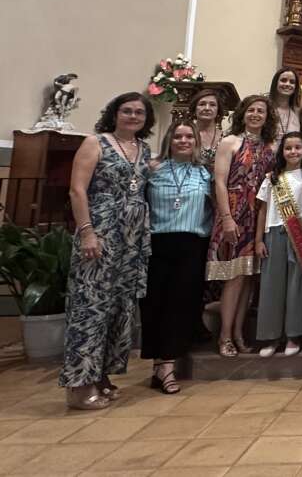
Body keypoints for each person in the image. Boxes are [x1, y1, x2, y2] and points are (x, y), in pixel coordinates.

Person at [62, 93, 154, 410]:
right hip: (100, 232)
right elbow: (77, 189)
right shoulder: (95, 142)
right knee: (91, 307)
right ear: (114, 114)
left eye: (139, 112)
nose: (132, 116)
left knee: (119, 308)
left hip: (132, 240)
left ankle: (101, 375)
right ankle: (78, 385)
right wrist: (87, 231)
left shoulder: (143, 149)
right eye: (126, 111)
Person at [142, 121, 212, 395]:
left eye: (189, 137)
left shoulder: (204, 173)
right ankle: (159, 363)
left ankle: (167, 366)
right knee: (154, 303)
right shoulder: (152, 169)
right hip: (157, 242)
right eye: (178, 136)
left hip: (192, 243)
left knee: (181, 303)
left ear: (196, 141)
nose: (184, 141)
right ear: (169, 140)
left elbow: (213, 208)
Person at [207, 95, 277, 358]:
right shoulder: (230, 142)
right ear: (243, 113)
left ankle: (238, 331)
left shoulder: (270, 146)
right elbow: (220, 182)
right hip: (235, 212)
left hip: (259, 213)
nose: (256, 114)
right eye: (251, 110)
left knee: (249, 278)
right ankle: (225, 335)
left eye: (261, 111)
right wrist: (226, 217)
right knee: (234, 278)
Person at [254, 132, 302, 358]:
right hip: (274, 233)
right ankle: (271, 337)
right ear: (282, 152)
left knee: (296, 285)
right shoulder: (272, 178)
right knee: (272, 286)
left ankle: (293, 335)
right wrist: (259, 239)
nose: (293, 152)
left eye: (298, 147)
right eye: (288, 148)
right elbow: (262, 210)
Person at [189, 88, 224, 171]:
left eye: (212, 105)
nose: (207, 108)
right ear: (194, 109)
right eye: (202, 104)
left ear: (218, 110)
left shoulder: (226, 137)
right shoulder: (186, 135)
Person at [269, 66, 302, 135]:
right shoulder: (266, 108)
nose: (288, 84)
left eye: (292, 82)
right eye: (283, 80)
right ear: (275, 83)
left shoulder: (299, 111)